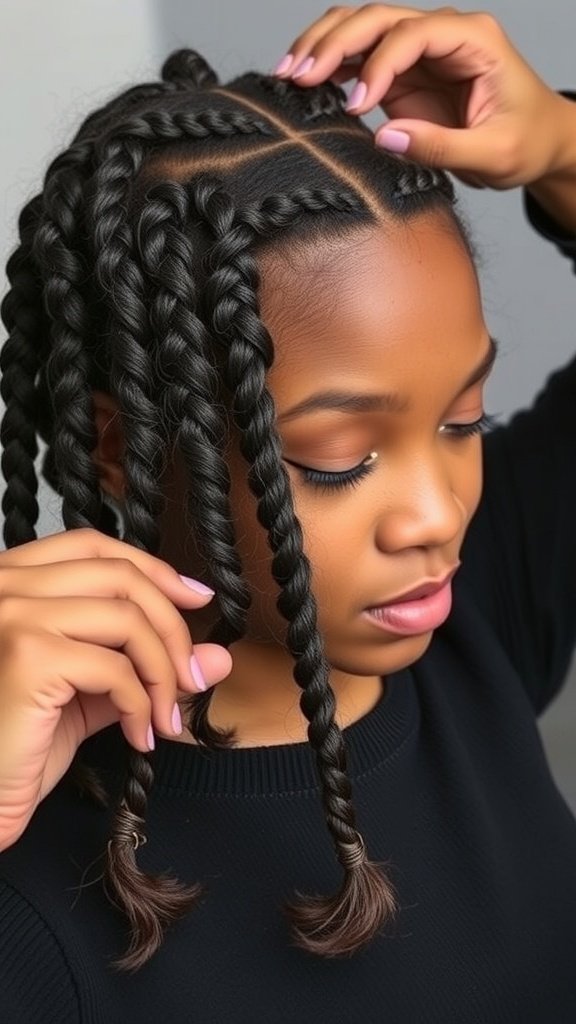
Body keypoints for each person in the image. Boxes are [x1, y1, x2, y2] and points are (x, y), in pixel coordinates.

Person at [0, 4, 575, 1020]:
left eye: (462, 421)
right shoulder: (32, 887)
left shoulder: (469, 615)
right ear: (124, 449)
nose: (436, 514)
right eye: (341, 459)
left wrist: (562, 148)